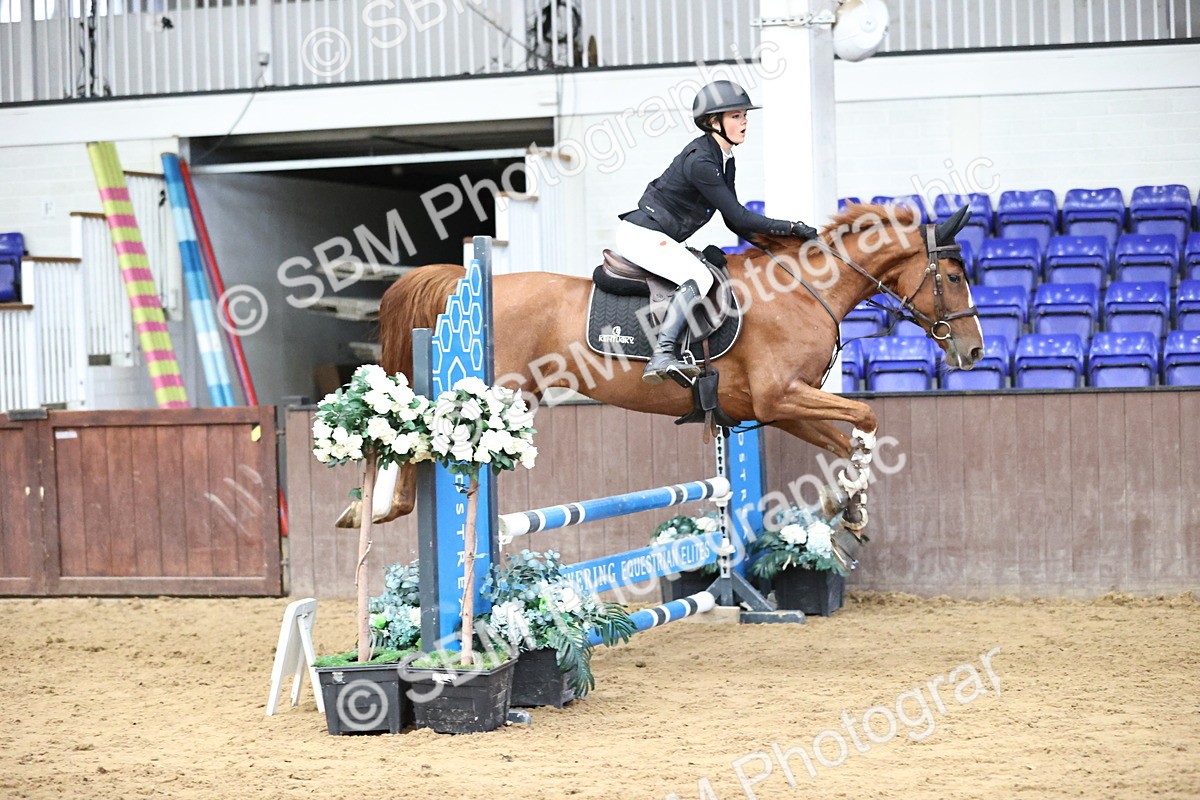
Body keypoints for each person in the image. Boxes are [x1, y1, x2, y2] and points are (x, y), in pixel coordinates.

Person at [617, 80, 821, 384]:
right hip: (641, 236)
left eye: (745, 116)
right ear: (714, 122)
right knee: (700, 276)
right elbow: (739, 214)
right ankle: (662, 354)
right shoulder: (701, 160)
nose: (744, 122)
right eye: (736, 116)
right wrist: (790, 228)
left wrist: (778, 247)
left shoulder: (724, 158)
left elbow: (734, 223)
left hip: (657, 235)